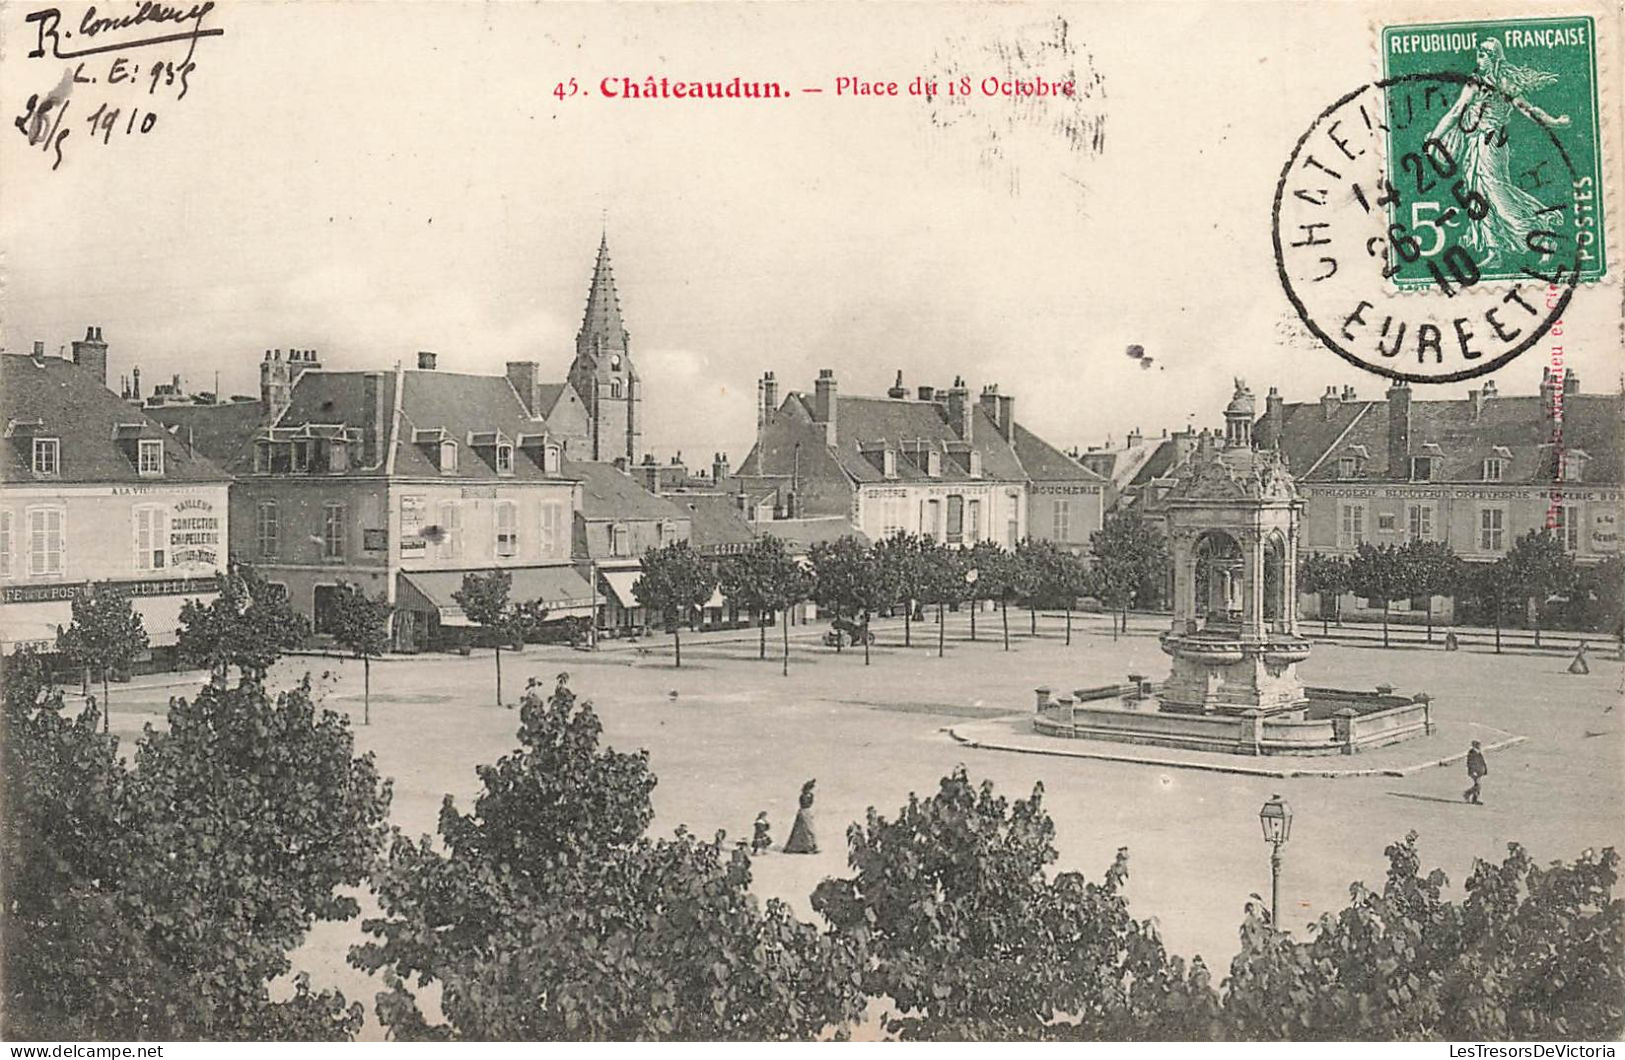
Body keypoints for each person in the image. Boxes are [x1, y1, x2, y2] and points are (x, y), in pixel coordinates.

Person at [784, 778, 819, 854]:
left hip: (806, 812)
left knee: (807, 830)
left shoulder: (809, 795)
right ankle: (807, 847)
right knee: (805, 830)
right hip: (804, 812)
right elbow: (805, 804)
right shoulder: (804, 796)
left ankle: (810, 846)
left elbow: (810, 803)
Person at [1464, 740, 1489, 805]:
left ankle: (1474, 799)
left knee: (1477, 785)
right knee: (1478, 785)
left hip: (1479, 771)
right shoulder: (1472, 753)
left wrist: (1485, 770)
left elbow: (1482, 762)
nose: (1480, 746)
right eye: (1478, 745)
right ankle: (1467, 793)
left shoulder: (1478, 753)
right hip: (1474, 772)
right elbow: (1470, 763)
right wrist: (1473, 771)